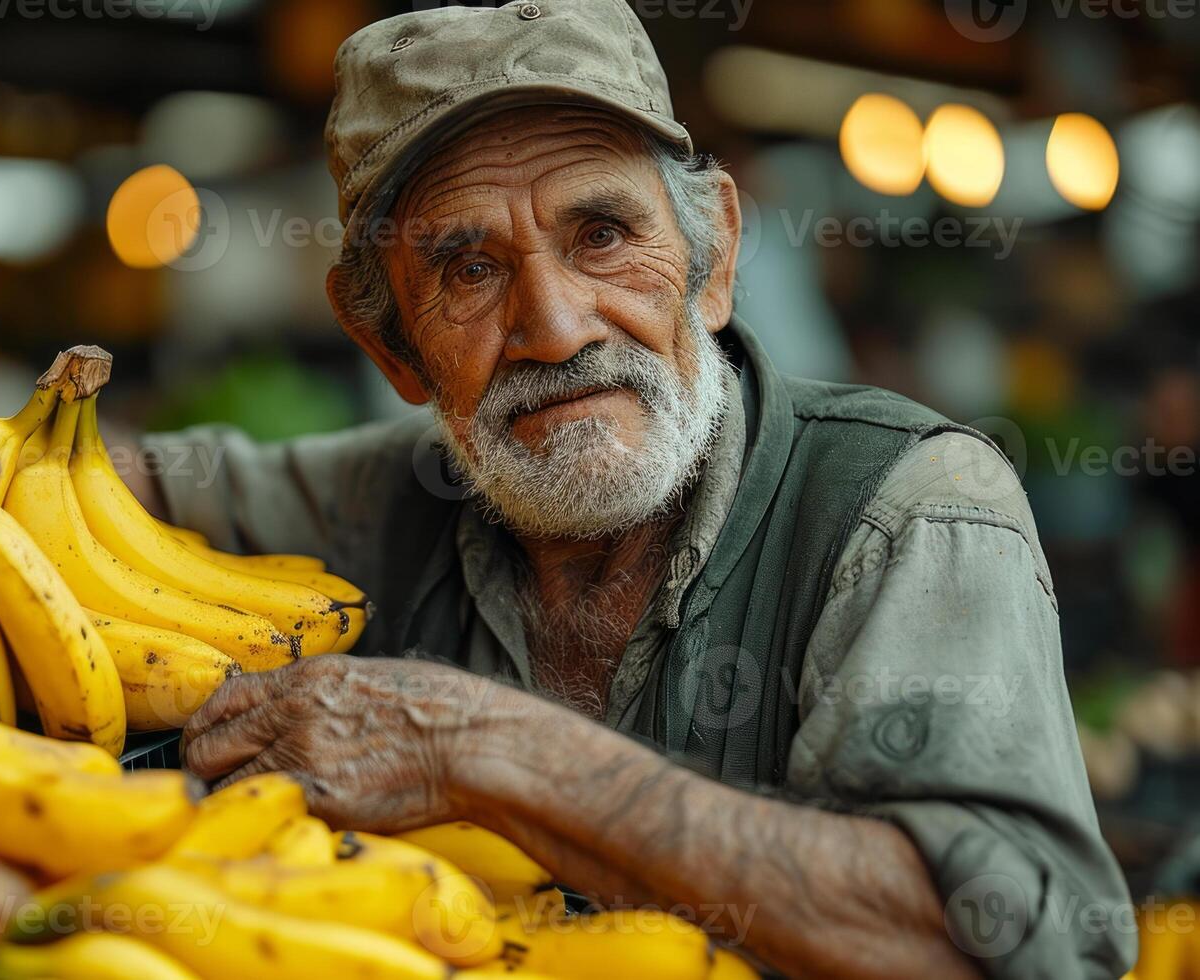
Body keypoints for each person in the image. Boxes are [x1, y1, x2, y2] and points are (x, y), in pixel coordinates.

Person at [126, 1, 1135, 975]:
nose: (558, 328)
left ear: (713, 258)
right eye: (468, 268)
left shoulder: (905, 506)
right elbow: (115, 486)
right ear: (392, 351)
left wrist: (477, 746)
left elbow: (1003, 944)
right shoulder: (390, 495)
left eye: (601, 233)